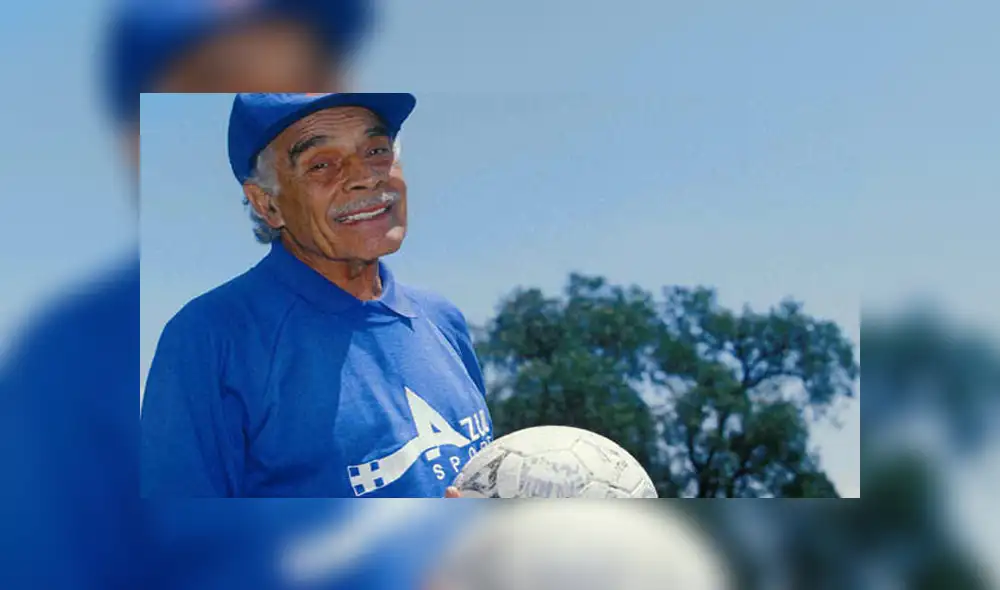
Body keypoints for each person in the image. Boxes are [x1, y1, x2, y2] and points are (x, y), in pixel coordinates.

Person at [140, 92, 493, 498]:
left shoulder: (441, 318)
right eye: (322, 165)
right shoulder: (212, 338)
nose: (366, 176)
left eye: (377, 151)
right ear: (267, 204)